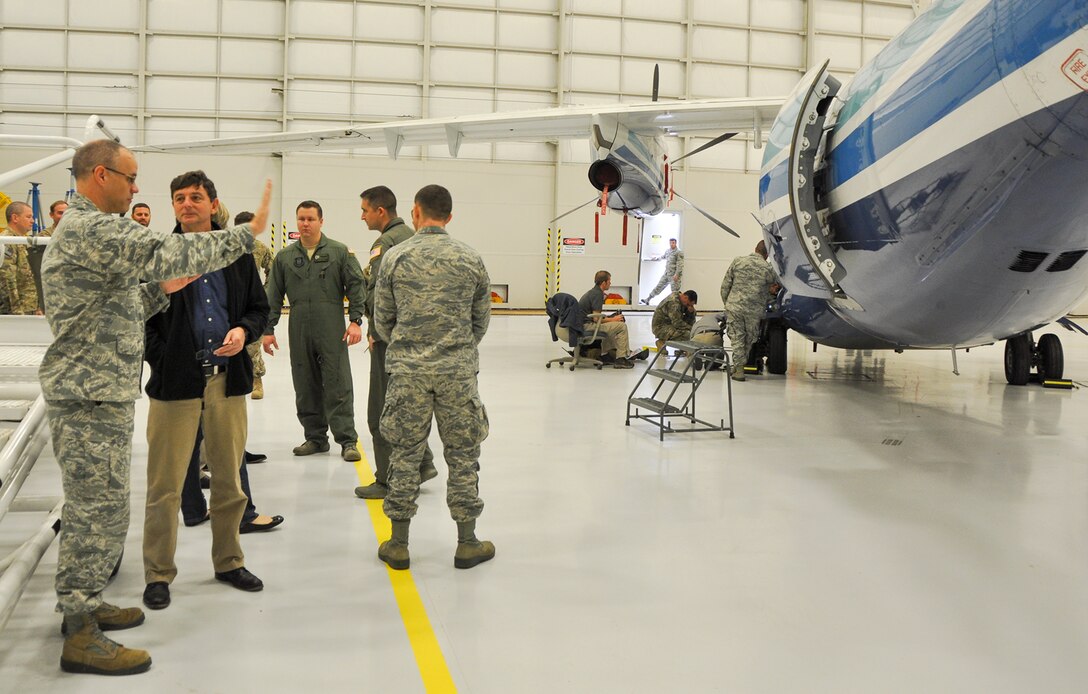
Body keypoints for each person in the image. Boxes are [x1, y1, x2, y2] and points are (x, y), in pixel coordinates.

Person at [38, 138, 271, 676]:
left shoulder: (85, 228)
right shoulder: (93, 227)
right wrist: (246, 232)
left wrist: (160, 290)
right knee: (96, 510)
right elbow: (171, 251)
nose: (136, 188)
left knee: (103, 506)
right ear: (101, 176)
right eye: (130, 178)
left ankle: (87, 605)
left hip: (101, 387)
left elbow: (122, 301)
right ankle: (79, 630)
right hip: (91, 391)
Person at [140, 170, 270, 611]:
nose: (187, 204)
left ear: (213, 205)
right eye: (179, 198)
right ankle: (158, 573)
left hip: (225, 383)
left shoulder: (236, 256)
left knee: (231, 483)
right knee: (165, 487)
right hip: (175, 386)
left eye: (196, 197)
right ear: (173, 206)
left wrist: (241, 331)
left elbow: (259, 308)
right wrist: (164, 357)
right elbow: (142, 321)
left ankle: (229, 561)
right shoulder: (159, 255)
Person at [373, 184, 494, 570]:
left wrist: (410, 348)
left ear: (415, 212)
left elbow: (382, 321)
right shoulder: (470, 258)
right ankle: (467, 542)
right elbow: (480, 321)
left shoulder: (395, 257)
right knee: (463, 454)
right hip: (457, 373)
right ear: (449, 216)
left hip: (407, 373)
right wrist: (454, 349)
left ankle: (398, 544)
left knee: (404, 454)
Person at [262, 200, 365, 461]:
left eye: (310, 219)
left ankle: (347, 440)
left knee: (338, 381)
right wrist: (268, 329)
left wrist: (355, 320)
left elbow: (356, 286)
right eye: (301, 219)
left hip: (331, 325)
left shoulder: (339, 252)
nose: (305, 224)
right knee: (304, 382)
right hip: (298, 325)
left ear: (321, 221)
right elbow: (273, 295)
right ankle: (315, 438)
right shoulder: (285, 257)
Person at [353, 185, 437, 500]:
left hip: (389, 341)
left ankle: (388, 479)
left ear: (381, 211)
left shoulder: (385, 243)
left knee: (381, 410)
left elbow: (375, 295)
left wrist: (374, 330)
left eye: (364, 210)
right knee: (409, 406)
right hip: (418, 340)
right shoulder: (415, 240)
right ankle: (423, 464)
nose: (362, 216)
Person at [720, 240, 778, 382]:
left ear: (755, 249)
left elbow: (725, 285)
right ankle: (739, 368)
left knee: (737, 338)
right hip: (754, 310)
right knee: (749, 339)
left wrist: (727, 304)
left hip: (735, 307)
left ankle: (738, 366)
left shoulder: (738, 262)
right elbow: (775, 289)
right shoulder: (768, 269)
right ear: (767, 254)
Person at [235, 210, 274, 399]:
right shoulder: (226, 249)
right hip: (231, 302)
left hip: (252, 303)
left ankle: (256, 379)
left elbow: (272, 270)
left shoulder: (259, 248)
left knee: (253, 343)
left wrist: (264, 293)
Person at [577, 270, 649, 369]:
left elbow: (595, 316)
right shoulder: (597, 294)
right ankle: (621, 359)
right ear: (603, 283)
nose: (610, 283)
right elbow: (596, 319)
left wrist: (611, 318)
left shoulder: (592, 292)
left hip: (583, 325)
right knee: (621, 326)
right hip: (588, 326)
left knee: (612, 326)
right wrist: (613, 319)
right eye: (609, 281)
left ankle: (607, 354)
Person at [26, 199, 67, 313]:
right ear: (51, 215)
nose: (64, 216)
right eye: (60, 213)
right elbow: (38, 270)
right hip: (51, 286)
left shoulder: (77, 233)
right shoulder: (44, 236)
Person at [1, 201, 40, 315]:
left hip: (29, 307)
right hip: (16, 311)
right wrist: (16, 312)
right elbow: (7, 280)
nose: (32, 220)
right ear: (15, 218)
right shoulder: (7, 241)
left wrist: (38, 306)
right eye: (28, 217)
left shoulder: (23, 240)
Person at [641, 237, 684, 304]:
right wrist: (656, 258)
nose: (671, 244)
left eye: (673, 243)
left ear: (675, 243)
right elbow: (663, 256)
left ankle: (676, 305)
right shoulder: (668, 251)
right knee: (659, 286)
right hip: (667, 274)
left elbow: (680, 265)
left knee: (675, 292)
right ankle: (648, 299)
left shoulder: (679, 252)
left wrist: (677, 274)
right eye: (670, 243)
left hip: (674, 275)